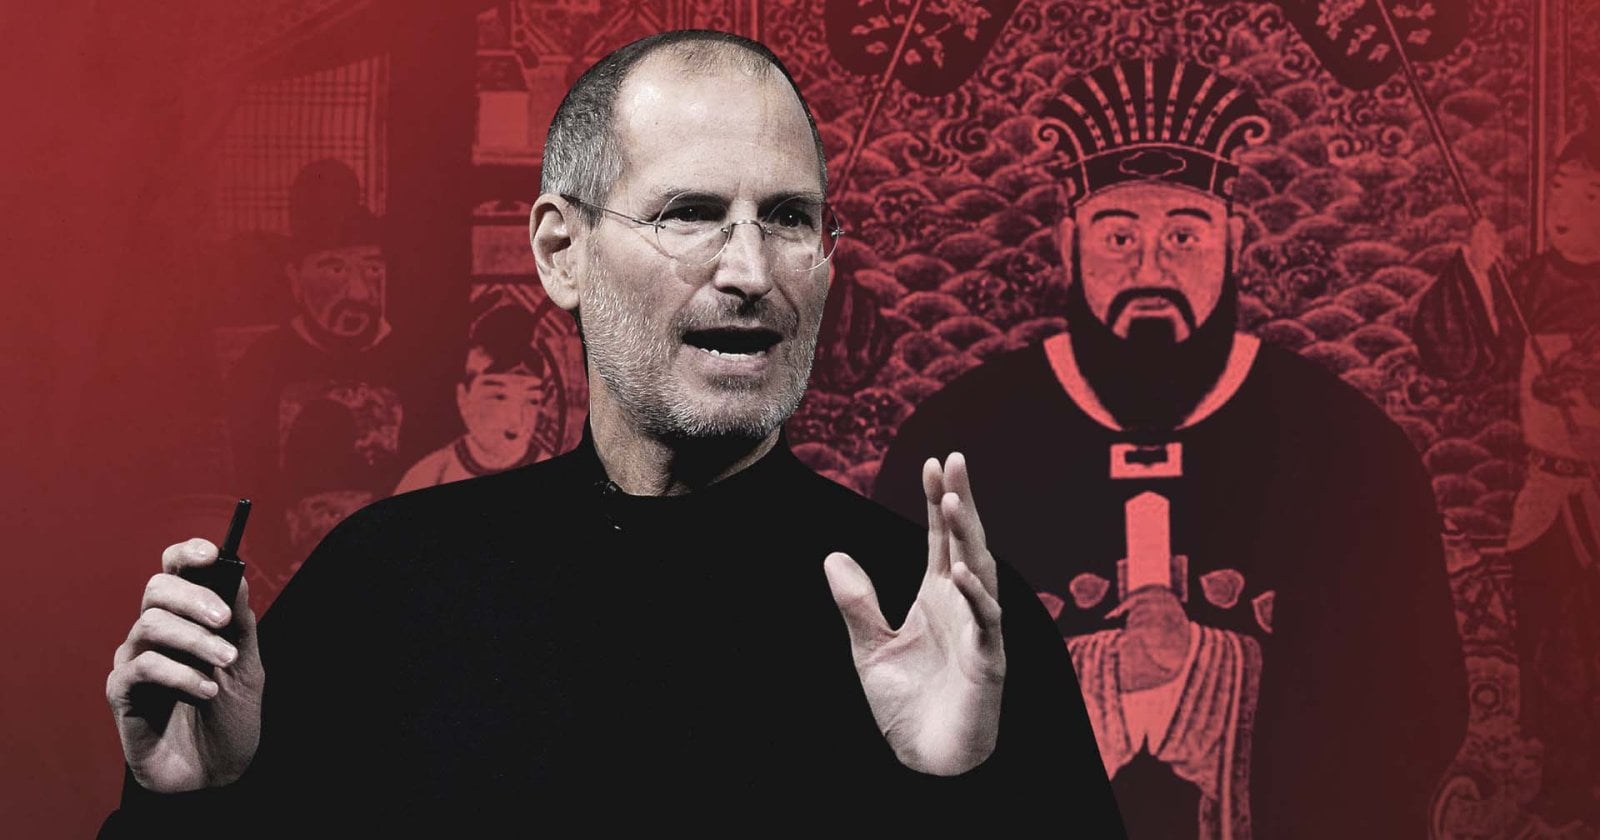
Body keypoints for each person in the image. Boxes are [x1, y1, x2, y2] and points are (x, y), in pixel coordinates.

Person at [101, 30, 1125, 835]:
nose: (749, 271)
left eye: (788, 218)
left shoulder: (942, 621)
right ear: (562, 252)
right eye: (689, 212)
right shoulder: (387, 587)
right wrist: (189, 804)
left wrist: (962, 792)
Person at [873, 57, 1467, 838]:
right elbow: (895, 712)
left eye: (1184, 235)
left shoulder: (1351, 451)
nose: (1150, 268)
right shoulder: (959, 444)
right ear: (1067, 243)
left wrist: (1218, 669)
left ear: (1235, 243)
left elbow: (1411, 717)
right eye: (1119, 236)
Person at [1415, 127, 1600, 830]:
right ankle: (1562, 789)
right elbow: (1461, 361)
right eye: (1558, 191)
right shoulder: (1530, 284)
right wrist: (1477, 271)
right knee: (1548, 649)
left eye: (1590, 196)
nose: (1565, 210)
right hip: (1546, 498)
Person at [223, 162, 415, 594]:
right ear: (294, 278)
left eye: (372, 268)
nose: (359, 292)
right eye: (333, 269)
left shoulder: (411, 360)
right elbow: (246, 486)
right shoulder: (261, 365)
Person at [394, 304, 554, 493]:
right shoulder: (431, 474)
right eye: (499, 397)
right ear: (463, 398)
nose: (516, 418)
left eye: (532, 400)